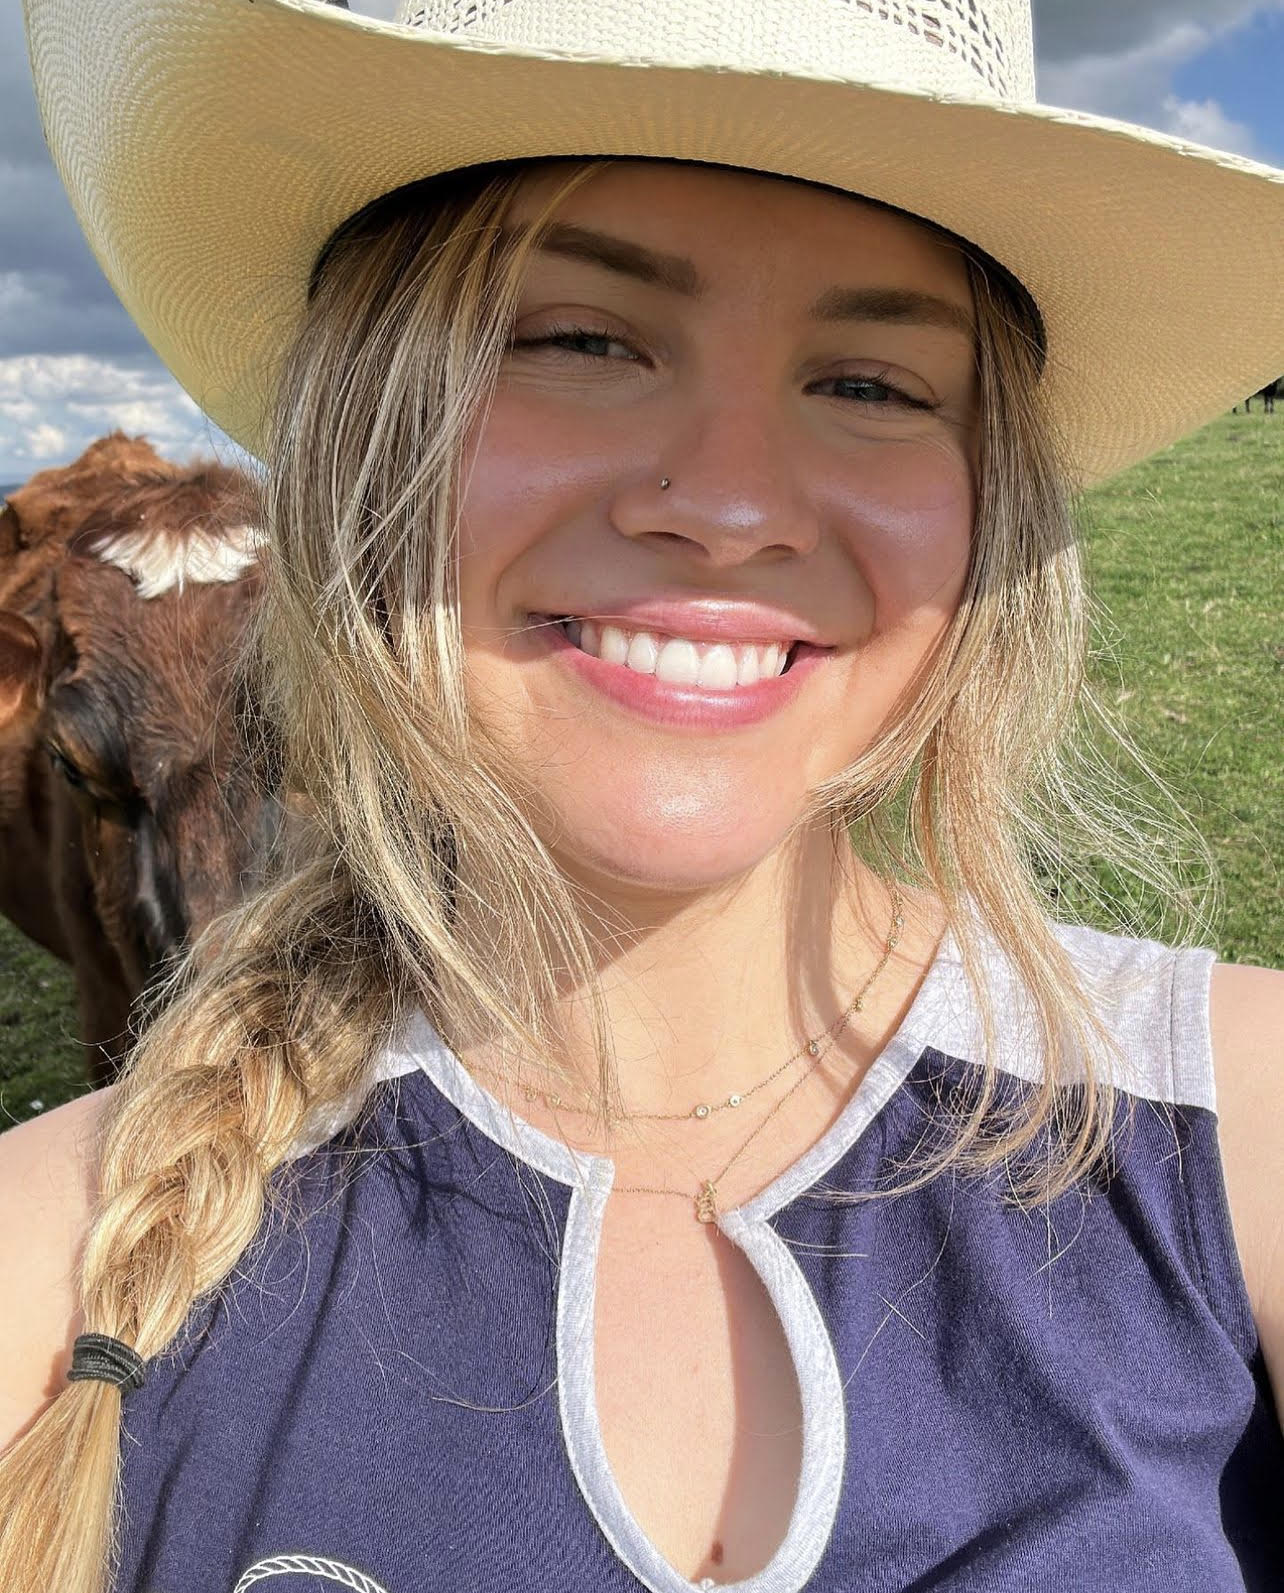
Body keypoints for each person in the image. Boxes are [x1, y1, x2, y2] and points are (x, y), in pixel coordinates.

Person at [2, 0, 1282, 1589]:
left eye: (875, 381)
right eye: (585, 341)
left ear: (988, 497)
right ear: (368, 427)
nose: (732, 504)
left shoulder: (1235, 1130)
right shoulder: (58, 1265)